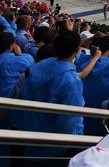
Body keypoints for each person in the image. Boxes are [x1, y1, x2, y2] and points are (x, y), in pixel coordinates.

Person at [16, 29, 86, 157]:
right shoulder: (71, 81)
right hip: (50, 146)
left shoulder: (40, 65)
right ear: (76, 51)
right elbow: (69, 122)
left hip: (26, 131)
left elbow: (22, 94)